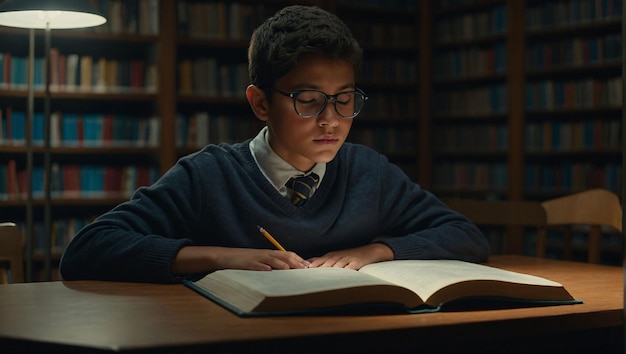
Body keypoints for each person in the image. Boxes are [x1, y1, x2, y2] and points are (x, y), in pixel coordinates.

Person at [59, 5, 489, 283]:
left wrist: (376, 250)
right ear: (261, 103)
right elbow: (88, 249)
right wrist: (217, 258)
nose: (331, 120)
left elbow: (465, 235)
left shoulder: (367, 172)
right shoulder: (209, 175)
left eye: (344, 100)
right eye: (308, 100)